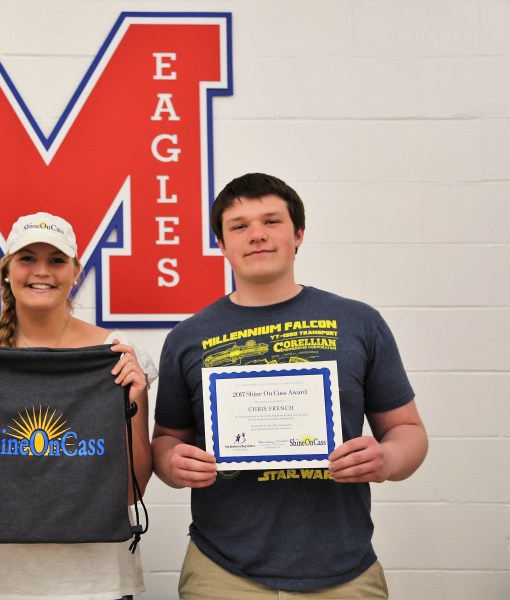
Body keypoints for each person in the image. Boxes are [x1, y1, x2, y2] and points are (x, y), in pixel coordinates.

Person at [152, 173, 428, 599]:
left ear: (298, 234)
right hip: (222, 571)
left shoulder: (358, 323)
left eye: (272, 222)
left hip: (345, 570)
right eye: (239, 226)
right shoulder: (187, 338)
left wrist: (386, 460)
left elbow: (408, 431)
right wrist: (173, 465)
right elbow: (167, 440)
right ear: (222, 245)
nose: (257, 235)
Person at [0, 212, 157, 600]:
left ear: (76, 272)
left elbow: (129, 493)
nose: (42, 271)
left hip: (96, 581)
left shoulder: (118, 353)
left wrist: (132, 399)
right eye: (27, 259)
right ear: (6, 271)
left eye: (56, 260)